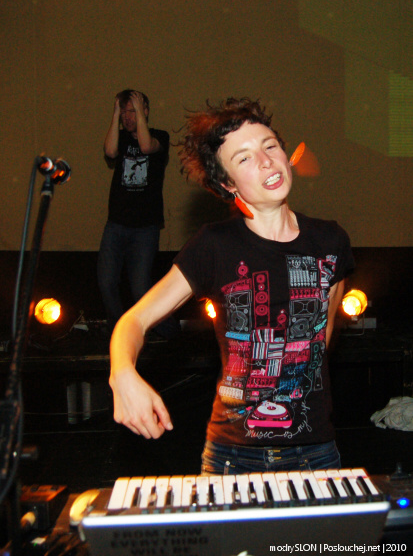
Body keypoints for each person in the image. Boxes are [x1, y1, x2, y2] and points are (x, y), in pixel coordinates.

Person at [109, 97, 355, 474]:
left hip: (315, 454)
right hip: (234, 459)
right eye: (244, 158)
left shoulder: (331, 241)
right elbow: (134, 321)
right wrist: (122, 374)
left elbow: (321, 342)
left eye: (269, 146)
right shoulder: (214, 245)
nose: (265, 161)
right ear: (228, 184)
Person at [97, 89, 176, 339]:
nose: (127, 117)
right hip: (116, 224)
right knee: (106, 282)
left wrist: (139, 113)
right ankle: (119, 331)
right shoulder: (120, 137)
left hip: (145, 227)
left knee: (140, 288)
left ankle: (169, 331)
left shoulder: (160, 136)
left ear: (145, 112)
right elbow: (110, 152)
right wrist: (115, 114)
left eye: (133, 112)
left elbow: (145, 146)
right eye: (124, 113)